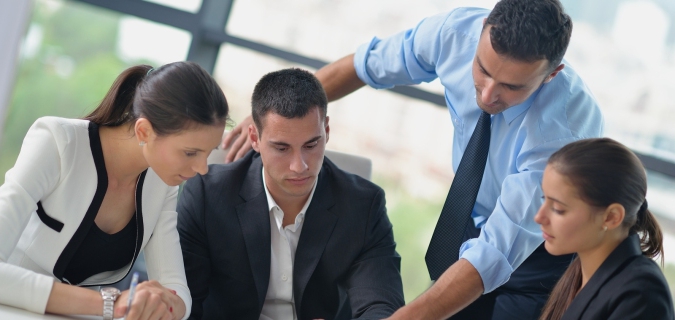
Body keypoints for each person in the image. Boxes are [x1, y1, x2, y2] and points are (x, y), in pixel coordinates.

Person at [221, 0, 603, 318]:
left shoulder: (561, 132)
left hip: (543, 253)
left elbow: (496, 253)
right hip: (474, 223)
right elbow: (364, 65)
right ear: (483, 29)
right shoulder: (453, 34)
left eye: (511, 86)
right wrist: (275, 118)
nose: (487, 95)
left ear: (552, 74)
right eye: (483, 70)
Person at [0, 61, 229, 320]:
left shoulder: (162, 183)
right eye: (190, 153)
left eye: (207, 154)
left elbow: (176, 289)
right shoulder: (57, 141)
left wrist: (159, 303)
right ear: (144, 130)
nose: (201, 168)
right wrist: (113, 303)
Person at [177, 68, 404, 319]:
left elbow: (381, 306)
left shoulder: (363, 206)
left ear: (326, 130)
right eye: (282, 148)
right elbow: (184, 301)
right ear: (254, 138)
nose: (300, 166)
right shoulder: (208, 195)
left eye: (311, 144)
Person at [535, 138, 674, 320]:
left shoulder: (640, 296)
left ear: (611, 217)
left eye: (558, 209)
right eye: (544, 199)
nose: (539, 217)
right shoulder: (580, 272)